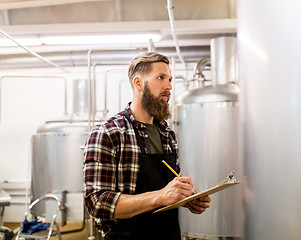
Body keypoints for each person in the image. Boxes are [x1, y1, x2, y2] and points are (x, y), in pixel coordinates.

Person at [83, 51, 211, 240]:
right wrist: (161, 196)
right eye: (161, 78)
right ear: (138, 83)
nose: (169, 86)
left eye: (170, 79)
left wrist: (186, 198)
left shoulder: (167, 134)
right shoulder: (109, 132)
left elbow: (168, 193)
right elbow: (97, 202)